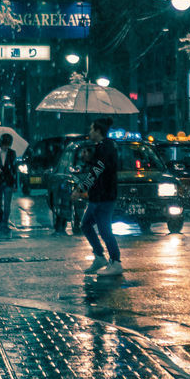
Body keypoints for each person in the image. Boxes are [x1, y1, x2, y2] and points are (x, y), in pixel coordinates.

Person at [77, 118, 122, 276]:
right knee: (86, 225)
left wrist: (81, 188)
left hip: (104, 196)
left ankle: (115, 262)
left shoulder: (106, 148)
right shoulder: (102, 147)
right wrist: (89, 159)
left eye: (91, 129)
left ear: (97, 131)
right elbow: (98, 167)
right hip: (98, 196)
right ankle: (99, 256)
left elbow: (97, 171)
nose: (89, 132)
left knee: (104, 230)